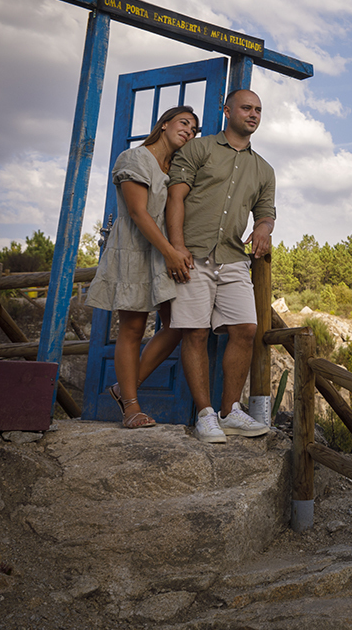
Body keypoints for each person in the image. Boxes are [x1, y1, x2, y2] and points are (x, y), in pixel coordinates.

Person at [166, 88, 274, 443]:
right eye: (246, 108)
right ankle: (205, 414)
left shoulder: (264, 170)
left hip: (232, 258)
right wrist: (176, 247)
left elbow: (266, 213)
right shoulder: (198, 149)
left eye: (258, 109)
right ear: (227, 111)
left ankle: (230, 412)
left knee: (246, 328)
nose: (253, 114)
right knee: (195, 333)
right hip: (192, 254)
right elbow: (175, 197)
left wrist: (262, 229)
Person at [86, 105, 198, 428]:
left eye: (193, 129)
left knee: (177, 324)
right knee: (133, 328)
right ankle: (131, 407)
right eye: (183, 123)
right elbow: (138, 213)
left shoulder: (175, 167)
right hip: (136, 249)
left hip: (161, 253)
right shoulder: (135, 158)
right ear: (164, 124)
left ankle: (123, 388)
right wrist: (171, 252)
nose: (189, 131)